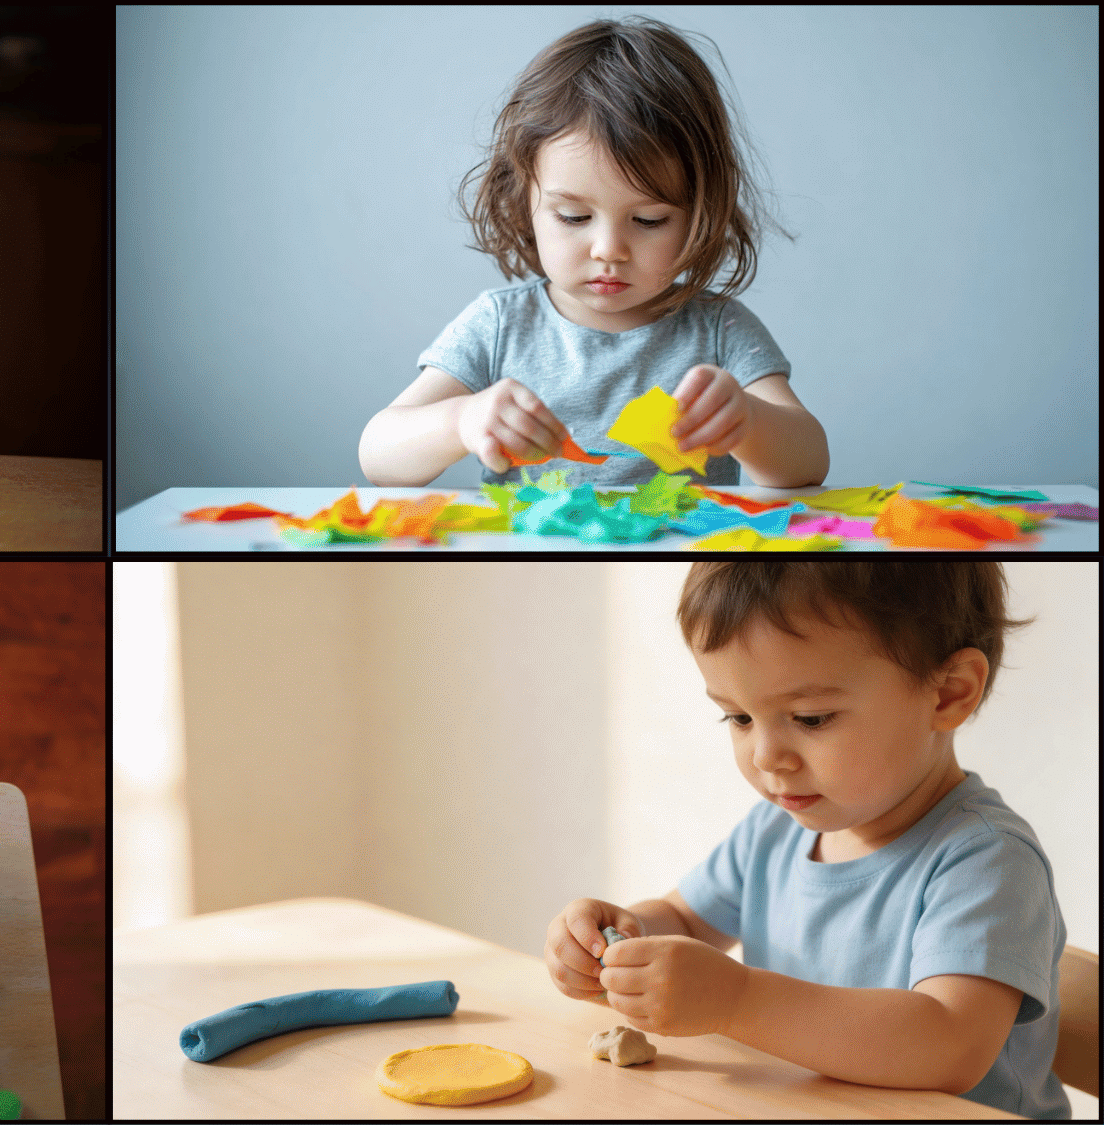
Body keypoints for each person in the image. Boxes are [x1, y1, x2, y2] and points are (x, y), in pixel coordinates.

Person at [545, 561, 1066, 1119]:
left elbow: (949, 1045)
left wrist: (736, 1000)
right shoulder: (776, 832)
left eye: (811, 718)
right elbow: (687, 920)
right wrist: (621, 941)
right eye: (739, 718)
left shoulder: (986, 859)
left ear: (947, 694)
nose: (767, 756)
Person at [361, 16, 827, 490]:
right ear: (526, 201)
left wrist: (747, 422)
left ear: (700, 212)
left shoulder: (718, 330)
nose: (609, 250)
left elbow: (809, 462)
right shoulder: (499, 327)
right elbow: (378, 454)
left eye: (649, 221)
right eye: (573, 217)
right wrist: (460, 421)